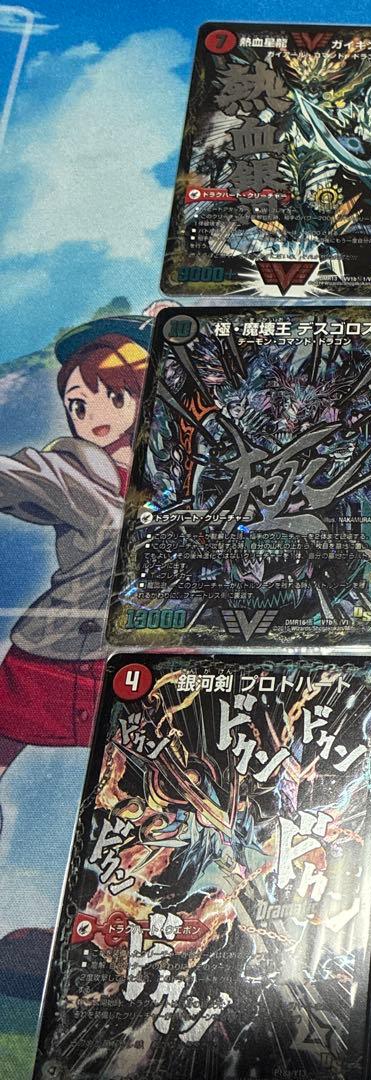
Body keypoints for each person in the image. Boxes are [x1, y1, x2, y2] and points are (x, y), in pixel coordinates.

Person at [0, 316, 150, 831]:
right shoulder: (74, 472)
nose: (92, 416)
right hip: (56, 652)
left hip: (143, 653)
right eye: (78, 405)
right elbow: (17, 478)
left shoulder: (185, 471)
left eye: (112, 396)